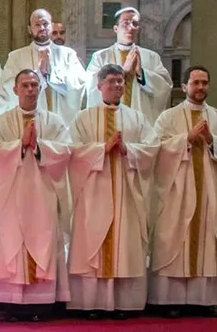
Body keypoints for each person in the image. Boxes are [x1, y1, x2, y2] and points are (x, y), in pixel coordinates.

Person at [149, 66, 217, 318]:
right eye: (195, 83)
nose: (201, 88)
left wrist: (213, 141)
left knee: (208, 239)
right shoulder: (167, 118)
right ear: (184, 87)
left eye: (205, 83)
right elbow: (155, 149)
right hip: (178, 191)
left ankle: (205, 300)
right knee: (175, 241)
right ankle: (173, 301)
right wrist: (185, 139)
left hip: (211, 190)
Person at [68, 64, 159, 318]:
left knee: (125, 243)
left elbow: (152, 149)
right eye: (111, 81)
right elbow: (72, 151)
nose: (117, 86)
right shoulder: (83, 118)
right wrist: (102, 149)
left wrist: (128, 149)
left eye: (120, 81)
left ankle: (122, 303)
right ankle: (92, 304)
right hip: (94, 191)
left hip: (126, 192)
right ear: (99, 86)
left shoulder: (136, 117)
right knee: (92, 243)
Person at [0, 69, 71, 322]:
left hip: (43, 191)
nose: (31, 90)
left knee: (42, 238)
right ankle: (11, 303)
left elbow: (66, 151)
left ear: (41, 89)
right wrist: (19, 145)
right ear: (15, 90)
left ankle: (41, 302)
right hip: (12, 193)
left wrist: (39, 147)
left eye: (35, 85)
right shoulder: (1, 122)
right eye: (25, 85)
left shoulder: (54, 121)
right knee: (11, 240)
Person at [86, 7, 172, 123]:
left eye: (135, 24)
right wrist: (123, 72)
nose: (130, 27)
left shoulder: (151, 57)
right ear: (116, 28)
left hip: (141, 120)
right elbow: (90, 85)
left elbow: (165, 86)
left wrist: (142, 74)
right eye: (125, 23)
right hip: (110, 119)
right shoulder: (101, 57)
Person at [2, 9, 86, 126]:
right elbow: (8, 86)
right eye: (37, 24)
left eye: (45, 24)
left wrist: (50, 75)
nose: (42, 28)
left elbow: (79, 83)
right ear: (29, 29)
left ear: (51, 26)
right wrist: (39, 75)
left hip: (61, 121)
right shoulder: (16, 56)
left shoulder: (68, 54)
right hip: (29, 121)